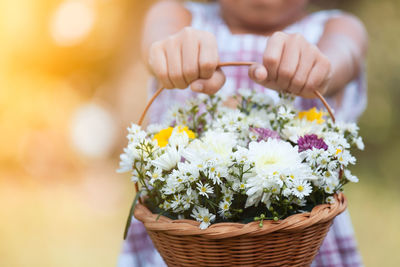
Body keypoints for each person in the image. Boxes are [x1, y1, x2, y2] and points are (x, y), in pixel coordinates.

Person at [119, 0, 367, 266]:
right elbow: (159, 37)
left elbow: (345, 50)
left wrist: (322, 68)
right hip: (182, 239)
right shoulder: (179, 17)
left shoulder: (333, 29)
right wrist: (170, 51)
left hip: (302, 244)